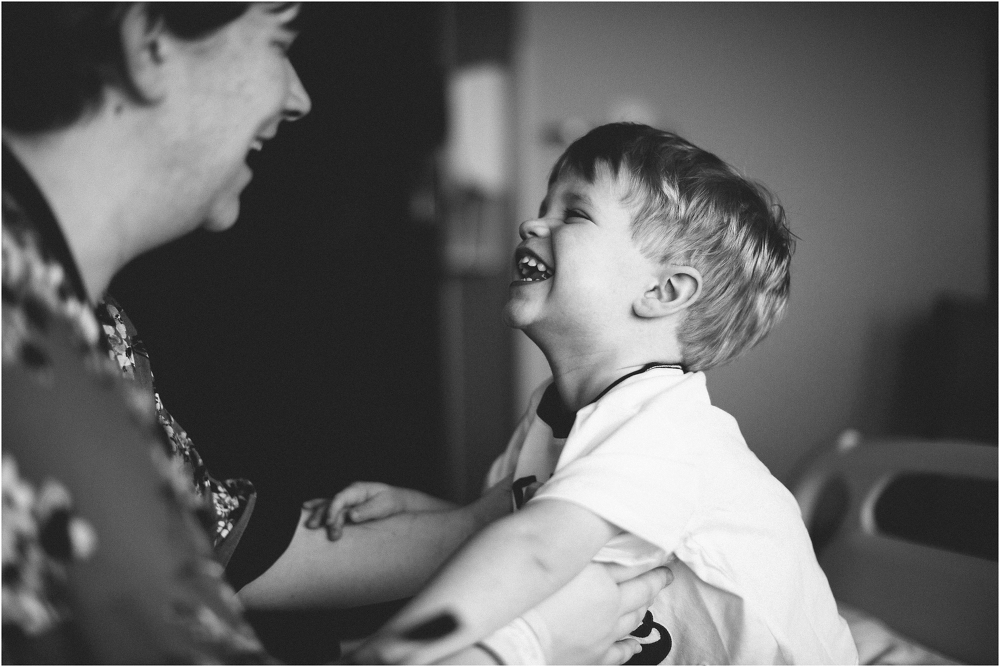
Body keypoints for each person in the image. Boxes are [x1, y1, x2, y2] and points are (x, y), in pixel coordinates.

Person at [1, 4, 668, 663]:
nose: (300, 96)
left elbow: (211, 541)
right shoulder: (22, 344)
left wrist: (472, 526)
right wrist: (518, 646)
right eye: (278, 39)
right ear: (149, 44)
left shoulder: (85, 317)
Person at [311, 123, 859, 664]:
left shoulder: (671, 432)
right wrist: (421, 514)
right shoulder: (553, 411)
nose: (531, 222)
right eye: (544, 206)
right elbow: (508, 527)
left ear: (663, 291)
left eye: (573, 213)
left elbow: (535, 551)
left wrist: (393, 654)